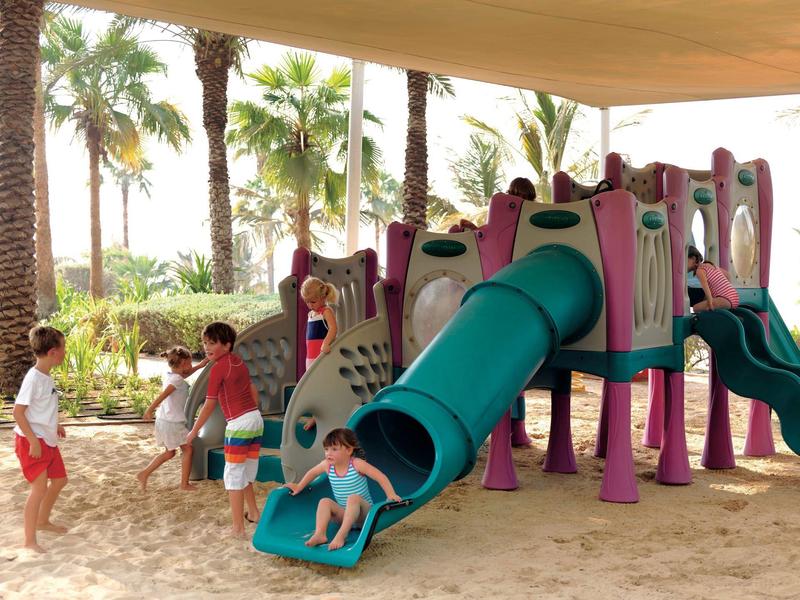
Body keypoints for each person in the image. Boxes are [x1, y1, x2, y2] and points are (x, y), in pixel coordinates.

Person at [186, 322, 263, 538]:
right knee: (246, 471)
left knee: (233, 475)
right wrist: (252, 413)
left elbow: (209, 404)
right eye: (205, 342)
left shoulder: (219, 367)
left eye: (212, 343)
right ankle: (254, 512)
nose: (207, 347)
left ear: (227, 345)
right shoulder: (238, 362)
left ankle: (238, 528)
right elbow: (252, 390)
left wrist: (193, 431)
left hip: (239, 424)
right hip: (255, 420)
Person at [284, 428, 402, 551]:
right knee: (324, 501)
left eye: (334, 449)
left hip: (364, 517)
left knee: (353, 498)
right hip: (345, 516)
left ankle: (342, 535)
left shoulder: (357, 464)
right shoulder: (327, 465)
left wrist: (390, 493)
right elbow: (312, 472)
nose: (329, 453)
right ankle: (320, 534)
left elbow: (380, 476)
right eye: (326, 449)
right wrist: (299, 486)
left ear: (349, 450)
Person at [12, 326, 69, 553]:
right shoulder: (33, 378)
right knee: (39, 488)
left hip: (47, 438)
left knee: (60, 480)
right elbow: (18, 412)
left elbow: (40, 408)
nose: (65, 352)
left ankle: (43, 522)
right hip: (31, 442)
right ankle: (29, 540)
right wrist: (34, 441)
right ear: (53, 352)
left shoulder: (46, 376)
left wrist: (55, 424)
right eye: (63, 348)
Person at [137, 346, 209, 492]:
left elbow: (184, 375)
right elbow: (163, 395)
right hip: (172, 423)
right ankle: (184, 484)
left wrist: (200, 366)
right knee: (188, 449)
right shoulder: (175, 380)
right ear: (183, 364)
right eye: (189, 363)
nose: (190, 366)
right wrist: (149, 409)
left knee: (170, 452)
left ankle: (144, 473)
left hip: (164, 420)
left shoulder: (172, 375)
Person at [300, 277, 339, 431]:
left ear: (323, 297)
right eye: (307, 302)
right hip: (310, 357)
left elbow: (333, 329)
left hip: (321, 357)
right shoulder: (311, 314)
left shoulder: (326, 311)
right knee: (312, 386)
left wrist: (326, 343)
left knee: (321, 385)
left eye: (313, 301)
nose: (310, 305)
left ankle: (319, 416)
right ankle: (316, 414)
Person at [687, 245, 739, 311]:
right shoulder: (709, 265)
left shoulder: (699, 271)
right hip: (734, 297)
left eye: (685, 261)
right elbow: (728, 275)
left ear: (693, 259)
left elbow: (706, 289)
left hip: (725, 299)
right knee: (704, 303)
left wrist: (711, 305)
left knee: (696, 308)